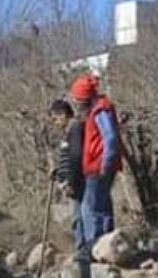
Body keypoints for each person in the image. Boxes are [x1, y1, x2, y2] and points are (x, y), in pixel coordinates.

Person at [70, 74, 122, 256]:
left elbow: (110, 137)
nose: (77, 105)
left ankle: (95, 247)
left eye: (78, 101)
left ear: (85, 99)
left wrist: (106, 163)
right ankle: (108, 246)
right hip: (98, 166)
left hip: (99, 166)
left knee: (90, 209)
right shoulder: (97, 109)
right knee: (101, 206)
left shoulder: (101, 110)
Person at [48, 99, 86, 257]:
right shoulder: (69, 131)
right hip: (70, 181)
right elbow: (68, 158)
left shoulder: (75, 127)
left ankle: (83, 250)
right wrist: (58, 172)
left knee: (79, 217)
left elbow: (76, 156)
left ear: (63, 114)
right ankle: (82, 248)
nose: (54, 122)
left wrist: (70, 180)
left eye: (55, 118)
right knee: (77, 217)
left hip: (77, 181)